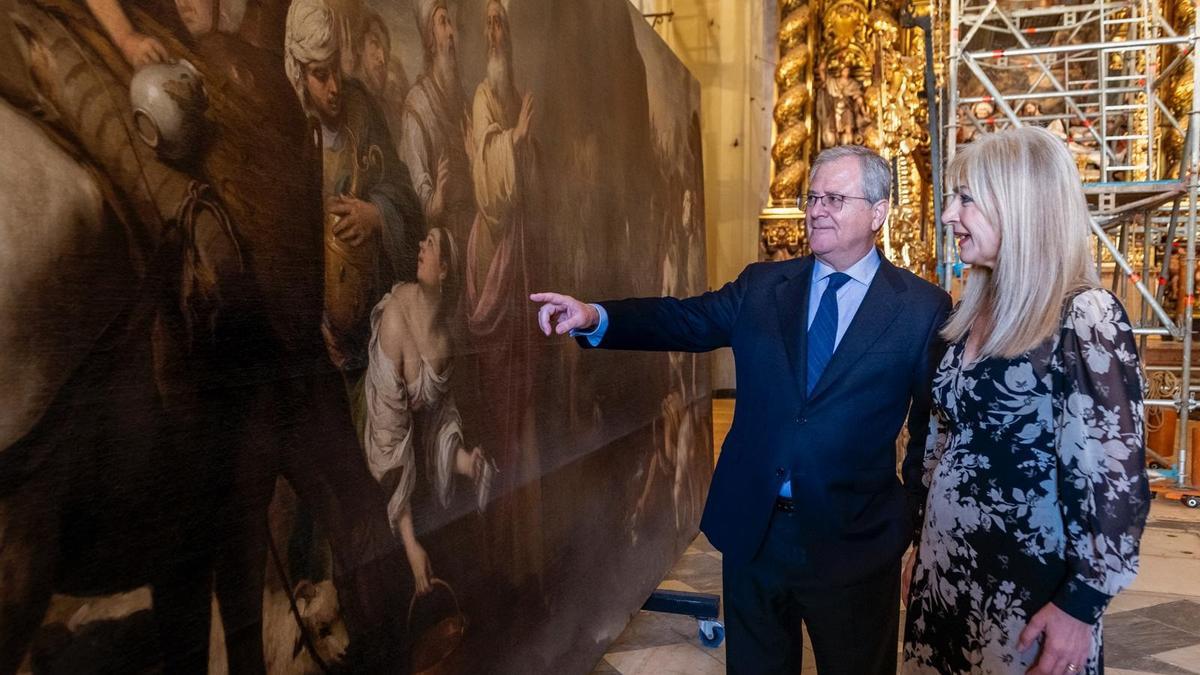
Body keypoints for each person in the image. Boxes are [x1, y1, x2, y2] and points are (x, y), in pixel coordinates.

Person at [532, 145, 952, 675]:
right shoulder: (762, 286)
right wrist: (595, 316)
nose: (817, 209)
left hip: (855, 542)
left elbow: (929, 431)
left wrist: (910, 527)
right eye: (812, 197)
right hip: (756, 534)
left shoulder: (921, 307)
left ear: (879, 212)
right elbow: (685, 320)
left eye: (835, 198)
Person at [902, 126, 1150, 675]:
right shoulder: (968, 315)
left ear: (1020, 206)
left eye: (965, 199)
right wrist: (923, 544)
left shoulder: (1084, 317)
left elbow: (1116, 482)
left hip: (1027, 593)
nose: (949, 215)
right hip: (946, 573)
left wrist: (1080, 608)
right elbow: (944, 443)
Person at [284, 0, 425, 370]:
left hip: (376, 324)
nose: (333, 87)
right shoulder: (288, 128)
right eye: (319, 74)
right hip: (316, 334)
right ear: (298, 72)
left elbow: (406, 196)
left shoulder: (361, 107)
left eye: (335, 70)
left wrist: (379, 214)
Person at [363, 227, 494, 595]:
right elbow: (387, 441)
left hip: (416, 463)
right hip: (379, 461)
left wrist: (467, 461)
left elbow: (438, 421)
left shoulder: (444, 341)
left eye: (431, 244)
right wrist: (410, 546)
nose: (421, 245)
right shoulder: (394, 320)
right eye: (423, 241)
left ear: (445, 271)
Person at [400, 0, 475, 251]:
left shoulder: (462, 99)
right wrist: (435, 201)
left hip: (471, 234)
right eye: (443, 23)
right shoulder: (417, 105)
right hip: (439, 245)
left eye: (450, 22)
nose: (451, 32)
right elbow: (417, 188)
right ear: (430, 40)